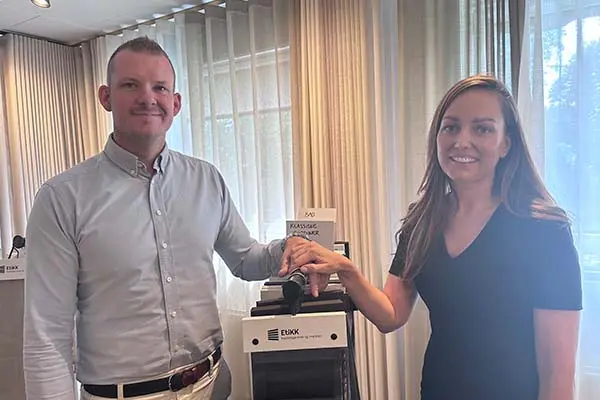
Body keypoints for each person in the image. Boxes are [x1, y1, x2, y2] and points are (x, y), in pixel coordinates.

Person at [23, 36, 314, 400]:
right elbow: (46, 337)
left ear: (175, 103)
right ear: (106, 97)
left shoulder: (206, 179)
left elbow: (245, 259)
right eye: (131, 85)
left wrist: (289, 248)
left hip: (212, 384)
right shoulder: (62, 199)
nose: (148, 98)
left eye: (159, 87)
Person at [283, 75, 583, 399]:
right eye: (450, 127)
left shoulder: (544, 231)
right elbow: (390, 314)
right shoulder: (422, 222)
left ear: (506, 144)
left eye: (482, 129)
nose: (462, 141)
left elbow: (557, 373)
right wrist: (346, 269)